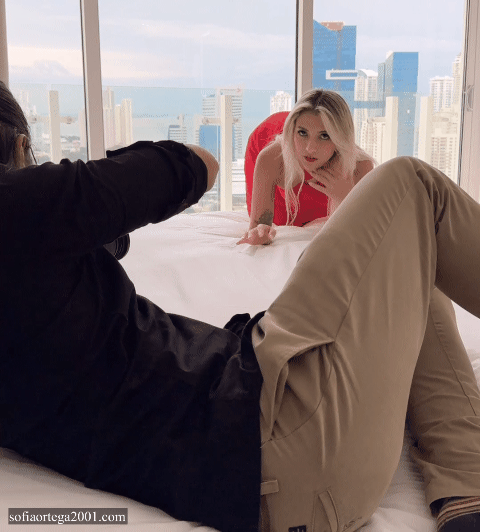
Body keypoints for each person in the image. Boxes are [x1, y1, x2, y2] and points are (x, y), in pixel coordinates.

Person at [2, 80, 480, 532]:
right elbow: (197, 164)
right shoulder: (22, 208)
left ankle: (466, 493)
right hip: (281, 432)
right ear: (22, 148)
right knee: (413, 183)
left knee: (411, 254)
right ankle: (466, 473)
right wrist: (65, 194)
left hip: (281, 461)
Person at [239, 89, 374, 246]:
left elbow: (364, 236)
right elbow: (258, 227)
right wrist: (259, 232)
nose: (310, 148)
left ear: (339, 138)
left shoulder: (360, 167)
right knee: (282, 222)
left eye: (324, 136)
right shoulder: (271, 158)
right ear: (292, 131)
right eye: (303, 133)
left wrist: (344, 197)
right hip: (268, 139)